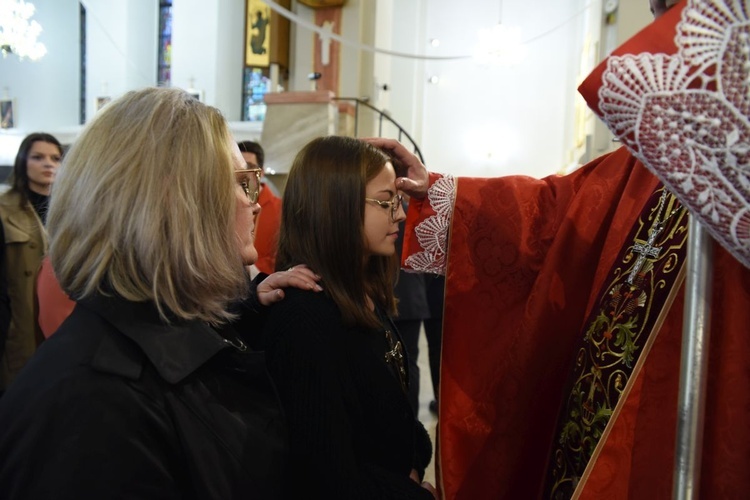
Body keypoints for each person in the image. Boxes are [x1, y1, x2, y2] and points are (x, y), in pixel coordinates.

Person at [368, 0, 750, 497]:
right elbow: (555, 212)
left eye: (674, 12)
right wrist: (443, 192)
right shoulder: (652, 161)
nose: (664, 31)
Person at [0, 87, 321, 499]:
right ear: (175, 200)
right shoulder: (94, 406)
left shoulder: (168, 336)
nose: (254, 203)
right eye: (242, 183)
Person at [261, 135, 436, 499]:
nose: (401, 214)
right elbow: (327, 477)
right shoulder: (304, 317)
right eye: (387, 202)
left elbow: (397, 417)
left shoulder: (362, 293)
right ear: (337, 206)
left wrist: (414, 467)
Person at [0, 132, 62, 393]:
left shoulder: (73, 210)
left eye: (55, 158)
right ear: (22, 162)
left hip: (63, 326)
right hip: (18, 328)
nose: (48, 164)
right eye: (38, 157)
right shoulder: (3, 210)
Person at [238, 140, 282, 275]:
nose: (245, 173)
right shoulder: (227, 205)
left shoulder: (280, 208)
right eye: (240, 167)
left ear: (261, 172)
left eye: (250, 167)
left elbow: (282, 258)